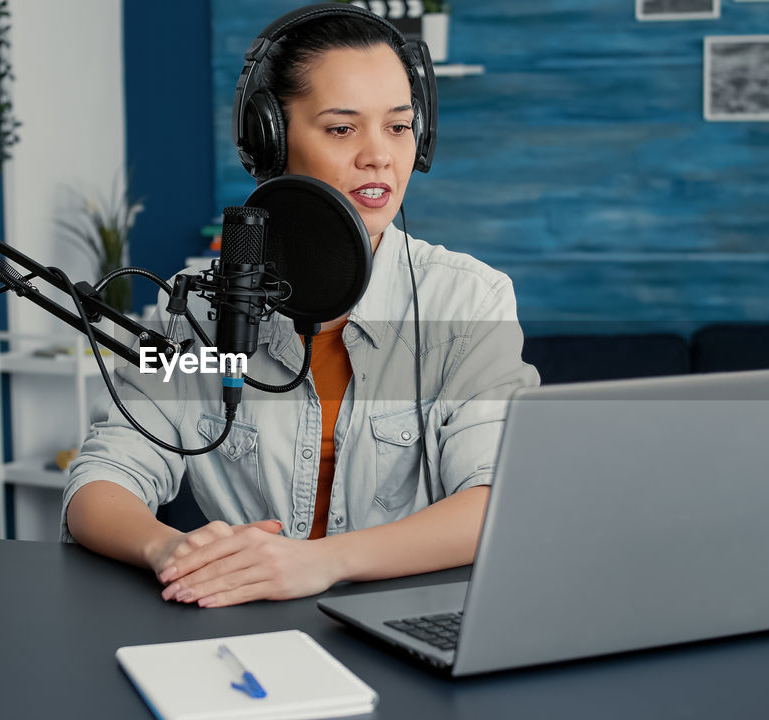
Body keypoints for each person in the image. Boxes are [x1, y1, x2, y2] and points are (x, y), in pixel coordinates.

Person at [61, 4, 539, 608]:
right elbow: (101, 479)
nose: (379, 156)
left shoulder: (469, 301)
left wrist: (319, 564)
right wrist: (170, 550)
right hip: (240, 624)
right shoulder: (196, 311)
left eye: (398, 126)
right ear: (271, 140)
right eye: (342, 129)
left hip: (404, 626)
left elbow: (497, 498)